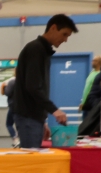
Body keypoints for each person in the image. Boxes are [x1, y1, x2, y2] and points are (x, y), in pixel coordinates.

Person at [12, 14, 77, 148]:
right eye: (64, 34)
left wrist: (43, 120)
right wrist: (54, 110)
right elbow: (33, 87)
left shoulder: (42, 51)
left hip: (33, 118)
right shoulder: (36, 49)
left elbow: (36, 87)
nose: (65, 40)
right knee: (32, 161)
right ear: (53, 28)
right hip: (28, 117)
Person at [80, 63, 101, 137]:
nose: (92, 62)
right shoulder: (97, 75)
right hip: (96, 106)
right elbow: (88, 91)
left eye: (95, 61)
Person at [2, 75, 19, 147]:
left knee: (8, 124)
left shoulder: (12, 81)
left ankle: (15, 138)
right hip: (23, 107)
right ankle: (20, 139)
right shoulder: (25, 82)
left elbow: (7, 93)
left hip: (13, 106)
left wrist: (4, 86)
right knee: (19, 124)